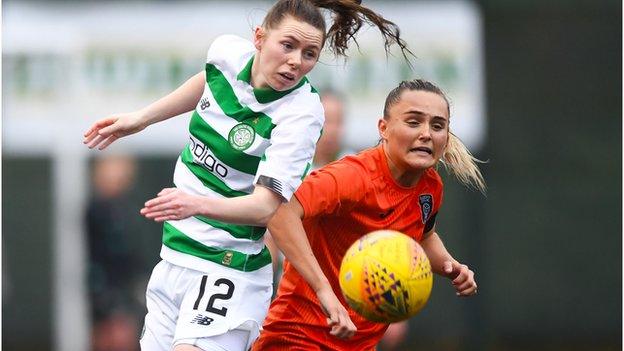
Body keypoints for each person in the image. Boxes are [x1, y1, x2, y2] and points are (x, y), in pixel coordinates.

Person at [82, 1, 413, 350]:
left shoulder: (300, 113)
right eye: (288, 45)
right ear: (259, 38)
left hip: (229, 267)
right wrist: (142, 118)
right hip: (175, 256)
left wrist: (195, 203)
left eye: (309, 54)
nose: (296, 61)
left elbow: (265, 208)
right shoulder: (227, 52)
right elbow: (208, 81)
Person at [252, 79, 485, 351]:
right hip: (299, 337)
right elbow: (279, 210)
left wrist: (450, 266)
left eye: (437, 125)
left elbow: (423, 234)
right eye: (413, 122)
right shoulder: (353, 176)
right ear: (383, 128)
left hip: (358, 343)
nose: (426, 134)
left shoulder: (430, 186)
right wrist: (323, 289)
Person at [85, 155, 142, 351]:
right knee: (111, 333)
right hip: (104, 286)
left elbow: (131, 251)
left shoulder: (125, 208)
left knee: (122, 333)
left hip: (123, 285)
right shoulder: (96, 209)